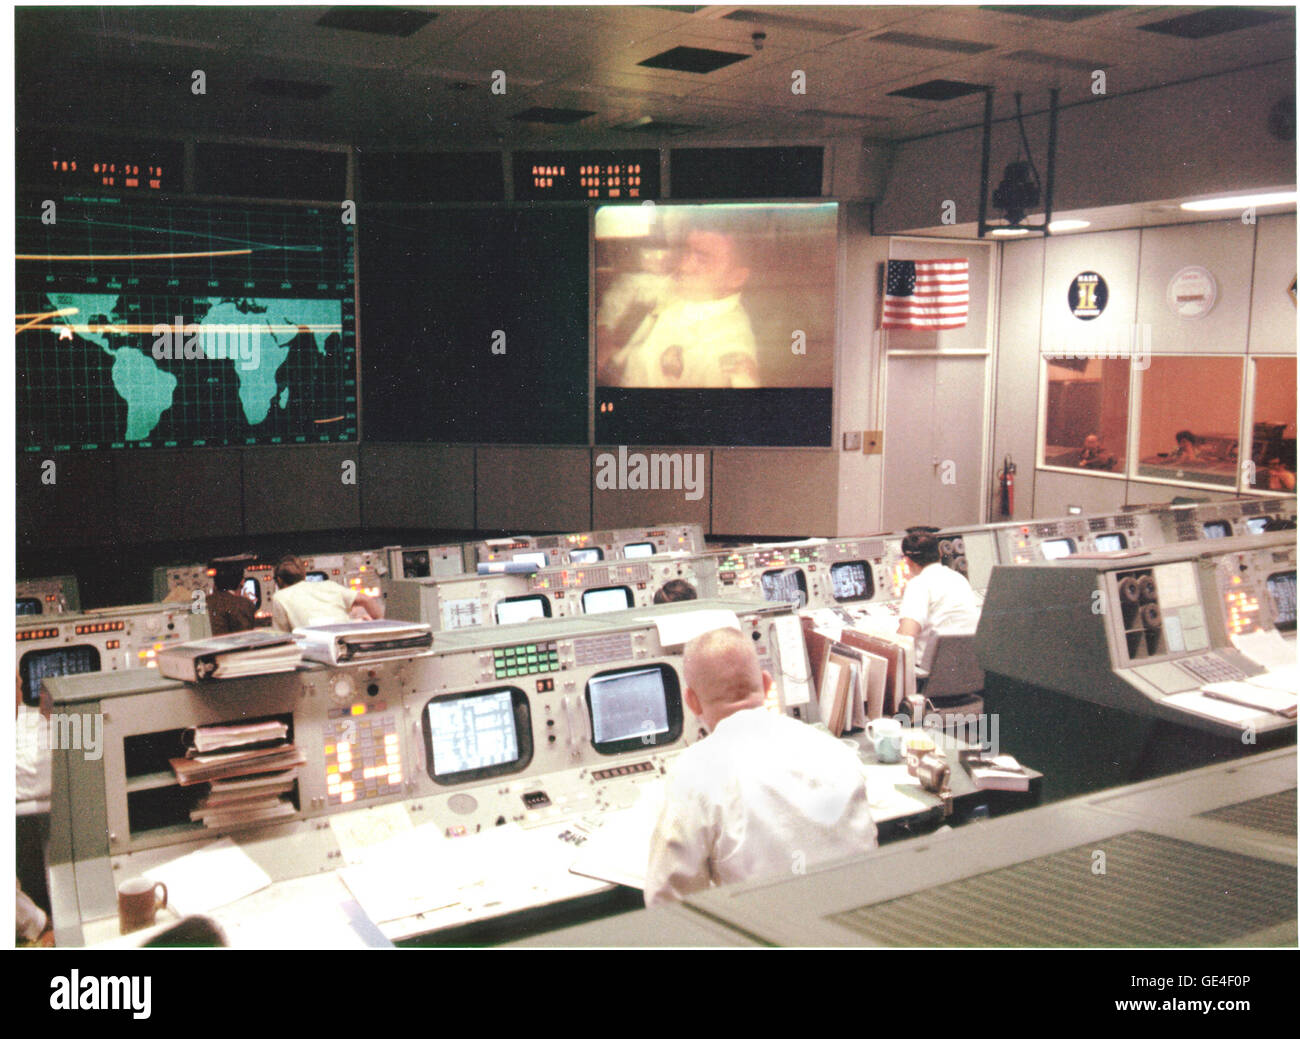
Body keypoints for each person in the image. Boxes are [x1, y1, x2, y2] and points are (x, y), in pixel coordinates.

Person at [644, 627, 877, 907]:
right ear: (767, 686)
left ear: (691, 701)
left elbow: (668, 904)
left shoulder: (694, 773)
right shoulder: (838, 752)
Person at [605, 229, 760, 389]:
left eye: (703, 260)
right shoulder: (687, 291)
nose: (683, 266)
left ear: (736, 277)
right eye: (687, 252)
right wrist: (604, 327)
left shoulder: (729, 346)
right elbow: (630, 285)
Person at [896, 531, 982, 663]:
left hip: (925, 674)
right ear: (940, 553)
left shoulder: (918, 584)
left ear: (906, 561)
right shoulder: (960, 579)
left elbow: (905, 639)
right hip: (963, 667)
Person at [269, 555, 383, 632]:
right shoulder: (329, 585)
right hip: (344, 641)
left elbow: (282, 637)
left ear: (279, 580)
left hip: (312, 649)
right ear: (304, 575)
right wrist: (379, 625)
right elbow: (367, 600)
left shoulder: (280, 597)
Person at [205, 557, 258, 636]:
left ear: (215, 584)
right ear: (242, 582)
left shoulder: (203, 602)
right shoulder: (244, 604)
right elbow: (246, 636)